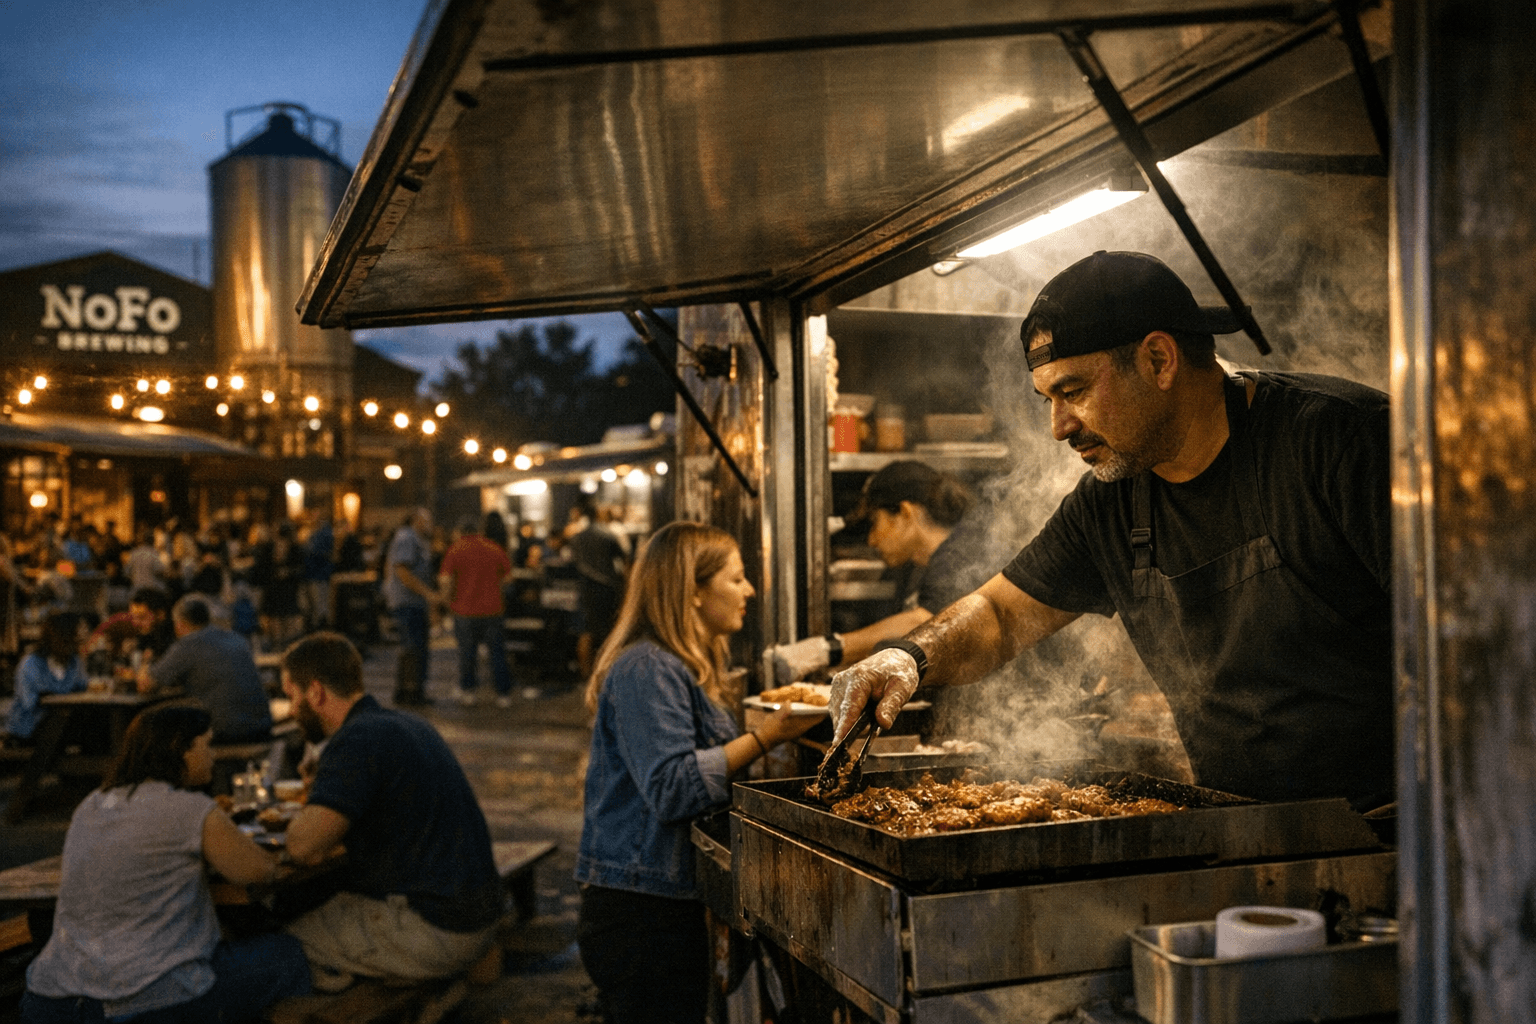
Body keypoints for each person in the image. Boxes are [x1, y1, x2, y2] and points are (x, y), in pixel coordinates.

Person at [830, 250, 1393, 808]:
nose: (1058, 427)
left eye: (1073, 392)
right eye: (1048, 399)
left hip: (1394, 835)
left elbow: (1468, 652)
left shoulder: (1345, 443)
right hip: (1239, 825)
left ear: (1158, 360)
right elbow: (1001, 617)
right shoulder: (1111, 503)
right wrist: (907, 658)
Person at [576, 522, 819, 1024]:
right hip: (639, 913)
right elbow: (672, 788)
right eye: (736, 579)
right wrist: (767, 737)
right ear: (692, 592)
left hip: (665, 903)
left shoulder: (680, 667)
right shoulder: (647, 668)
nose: (749, 590)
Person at [19, 703, 310, 1023]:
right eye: (206, 745)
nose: (212, 755)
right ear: (180, 750)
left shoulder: (92, 804)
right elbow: (258, 871)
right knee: (289, 955)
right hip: (147, 1001)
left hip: (51, 999)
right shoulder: (190, 808)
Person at [278, 632, 502, 991]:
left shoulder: (356, 739)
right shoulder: (405, 723)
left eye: (291, 696)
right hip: (481, 911)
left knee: (282, 940)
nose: (291, 711)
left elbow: (304, 847)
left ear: (316, 692)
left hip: (438, 926)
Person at [767, 461, 994, 683]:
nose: (871, 540)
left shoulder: (960, 554)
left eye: (875, 522)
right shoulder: (914, 570)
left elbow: (928, 621)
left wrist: (824, 650)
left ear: (905, 513)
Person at [139, 594, 273, 745]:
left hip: (228, 734)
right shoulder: (235, 638)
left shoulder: (187, 645)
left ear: (179, 623)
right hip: (263, 728)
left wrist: (145, 660)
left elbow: (145, 685)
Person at [438, 512, 515, 707]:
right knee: (497, 652)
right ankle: (503, 694)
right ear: (478, 531)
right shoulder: (494, 548)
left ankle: (468, 691)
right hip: (493, 610)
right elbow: (508, 578)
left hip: (464, 611)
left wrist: (446, 603)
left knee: (467, 653)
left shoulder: (455, 550)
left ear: (460, 532)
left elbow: (445, 580)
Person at [383, 508, 439, 706]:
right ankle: (410, 692)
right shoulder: (407, 538)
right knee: (412, 648)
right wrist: (428, 594)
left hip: (412, 602)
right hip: (407, 602)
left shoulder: (414, 539)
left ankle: (411, 690)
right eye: (427, 520)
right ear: (416, 520)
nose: (430, 524)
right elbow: (402, 571)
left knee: (414, 647)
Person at [5, 611, 87, 745]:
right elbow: (30, 702)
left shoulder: (74, 663)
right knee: (59, 723)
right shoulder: (31, 663)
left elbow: (82, 687)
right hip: (29, 730)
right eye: (74, 638)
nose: (78, 643)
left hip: (60, 727)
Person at [569, 500, 628, 679]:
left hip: (586, 589)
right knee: (609, 632)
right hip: (608, 589)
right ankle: (609, 671)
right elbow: (624, 561)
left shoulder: (576, 538)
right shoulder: (608, 535)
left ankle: (586, 673)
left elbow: (572, 562)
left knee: (585, 632)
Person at [302, 514, 336, 630]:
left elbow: (315, 552)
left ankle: (320, 628)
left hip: (318, 574)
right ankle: (320, 626)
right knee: (320, 603)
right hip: (319, 574)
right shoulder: (324, 534)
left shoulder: (322, 535)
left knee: (320, 603)